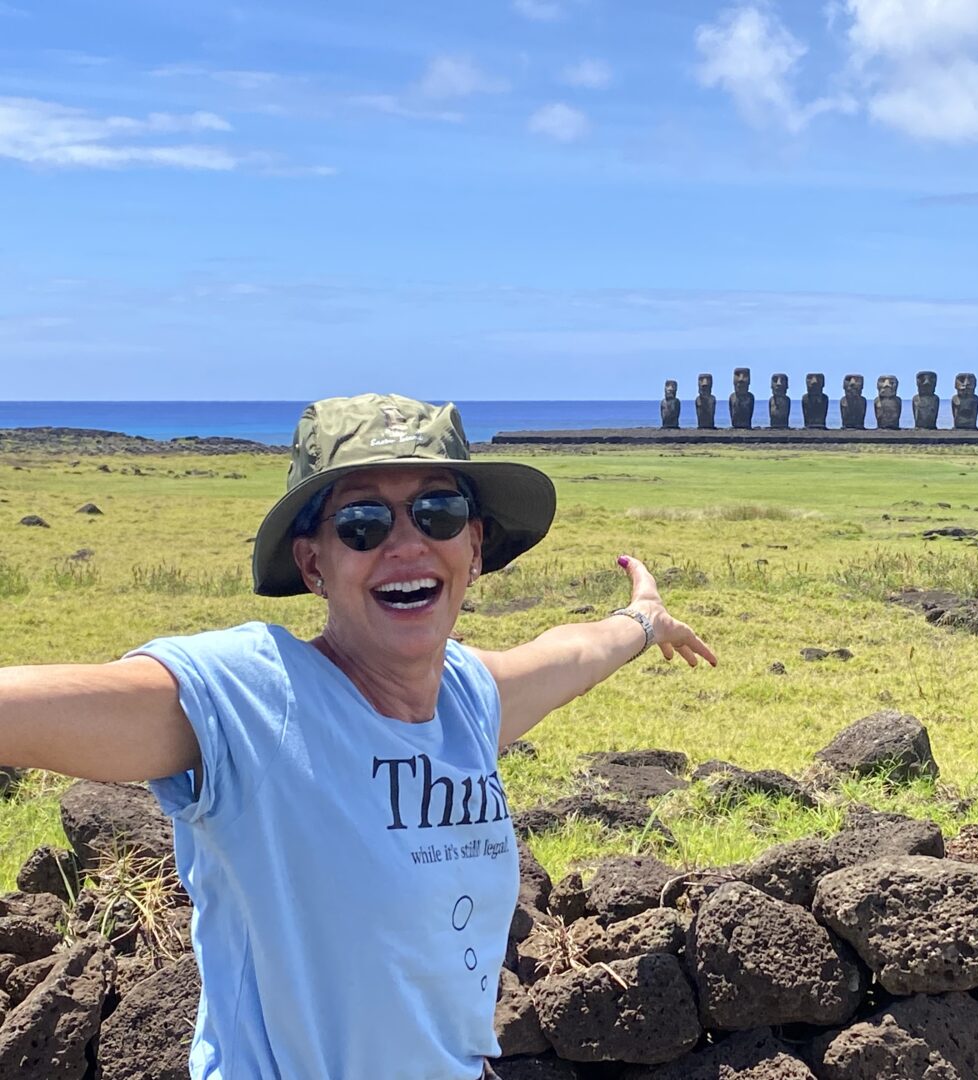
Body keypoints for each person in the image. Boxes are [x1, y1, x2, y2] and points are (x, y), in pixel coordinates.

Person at [0, 393, 717, 1079]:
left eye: (437, 512)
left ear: (473, 545)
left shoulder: (467, 697)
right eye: (363, 524)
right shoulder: (253, 699)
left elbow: (568, 655)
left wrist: (641, 622)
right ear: (315, 563)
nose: (406, 544)